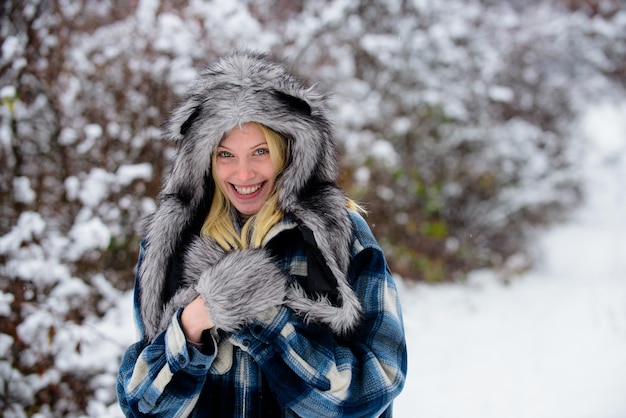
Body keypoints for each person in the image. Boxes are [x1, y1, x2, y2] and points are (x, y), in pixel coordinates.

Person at [116, 50, 407, 417]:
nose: (244, 173)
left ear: (288, 151)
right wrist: (191, 324)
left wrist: (266, 319)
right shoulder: (171, 245)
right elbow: (143, 407)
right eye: (225, 155)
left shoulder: (340, 237)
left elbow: (379, 383)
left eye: (259, 151)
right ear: (203, 160)